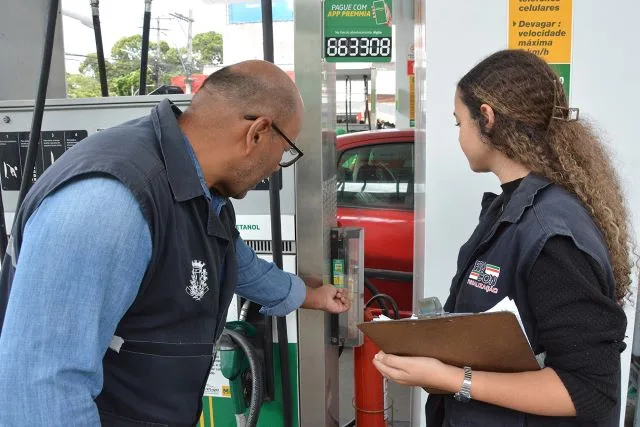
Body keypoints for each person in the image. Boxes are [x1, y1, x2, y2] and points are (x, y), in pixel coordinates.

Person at [0, 60, 350, 426]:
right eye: (285, 150)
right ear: (258, 133)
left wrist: (311, 296)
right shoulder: (112, 202)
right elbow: (43, 389)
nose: (278, 165)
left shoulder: (200, 191)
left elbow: (237, 262)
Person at [373, 49, 632, 426]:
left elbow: (590, 388)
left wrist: (449, 379)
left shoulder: (550, 233)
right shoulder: (511, 207)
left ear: (488, 118)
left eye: (458, 123)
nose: (459, 135)